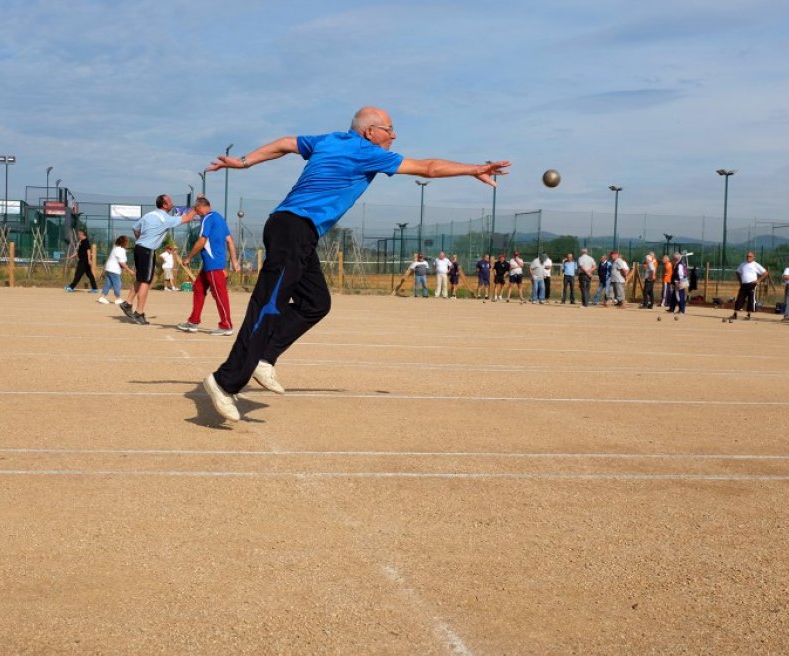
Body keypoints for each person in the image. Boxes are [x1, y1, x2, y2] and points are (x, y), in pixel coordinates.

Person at [199, 105, 508, 421]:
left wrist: (244, 162)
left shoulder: (330, 140)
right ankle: (225, 381)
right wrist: (473, 169)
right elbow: (428, 168)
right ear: (370, 131)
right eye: (389, 128)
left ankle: (265, 356)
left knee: (315, 302)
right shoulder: (367, 152)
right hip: (293, 229)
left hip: (296, 230)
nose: (394, 135)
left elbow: (284, 143)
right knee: (268, 306)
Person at [120, 194, 195, 325]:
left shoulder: (149, 215)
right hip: (147, 250)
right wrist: (197, 206)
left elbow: (135, 228)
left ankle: (128, 303)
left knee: (140, 278)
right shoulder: (165, 219)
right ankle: (139, 312)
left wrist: (140, 240)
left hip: (139, 248)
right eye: (170, 201)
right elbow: (188, 217)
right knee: (146, 282)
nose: (172, 202)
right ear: (164, 205)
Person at [176, 195, 241, 334]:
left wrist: (188, 257)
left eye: (196, 208)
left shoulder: (207, 219)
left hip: (213, 265)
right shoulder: (219, 218)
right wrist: (234, 261)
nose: (195, 211)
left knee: (219, 294)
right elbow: (229, 240)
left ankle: (226, 325)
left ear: (201, 207)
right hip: (209, 265)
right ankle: (193, 321)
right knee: (199, 288)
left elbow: (202, 241)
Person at [730, 251, 767, 320]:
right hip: (744, 285)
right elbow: (737, 272)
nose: (748, 258)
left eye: (750, 256)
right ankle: (735, 314)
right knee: (739, 299)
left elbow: (765, 273)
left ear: (753, 257)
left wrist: (758, 280)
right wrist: (740, 281)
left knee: (751, 300)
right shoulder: (743, 264)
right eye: (747, 256)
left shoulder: (755, 264)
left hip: (752, 285)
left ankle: (748, 315)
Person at [97, 235, 132, 305]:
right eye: (127, 242)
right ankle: (118, 298)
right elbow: (122, 262)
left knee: (108, 283)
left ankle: (102, 297)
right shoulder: (121, 250)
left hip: (108, 269)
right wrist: (129, 270)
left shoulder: (116, 248)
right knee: (117, 283)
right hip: (114, 270)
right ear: (124, 242)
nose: (128, 243)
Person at [65, 228, 98, 293]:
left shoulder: (86, 241)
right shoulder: (82, 241)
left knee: (78, 274)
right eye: (78, 234)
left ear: (83, 234)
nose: (78, 235)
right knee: (90, 275)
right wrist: (73, 256)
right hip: (83, 260)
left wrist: (89, 260)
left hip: (84, 261)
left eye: (79, 234)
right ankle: (95, 289)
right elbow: (79, 251)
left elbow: (88, 251)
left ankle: (71, 287)